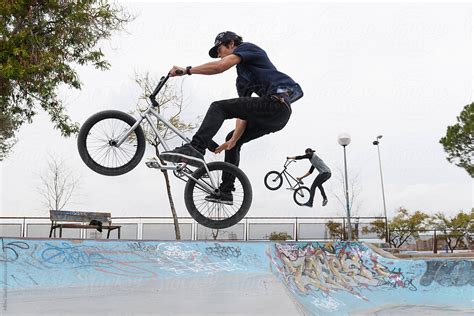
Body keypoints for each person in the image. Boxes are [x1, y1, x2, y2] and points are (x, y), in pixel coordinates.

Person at [160, 31, 303, 204]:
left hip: (277, 103)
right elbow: (242, 114)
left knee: (218, 107)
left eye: (219, 50)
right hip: (275, 117)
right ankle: (226, 191)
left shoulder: (248, 48)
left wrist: (187, 70)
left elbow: (220, 67)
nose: (219, 55)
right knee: (232, 138)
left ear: (231, 44)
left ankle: (196, 148)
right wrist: (233, 140)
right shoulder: (241, 80)